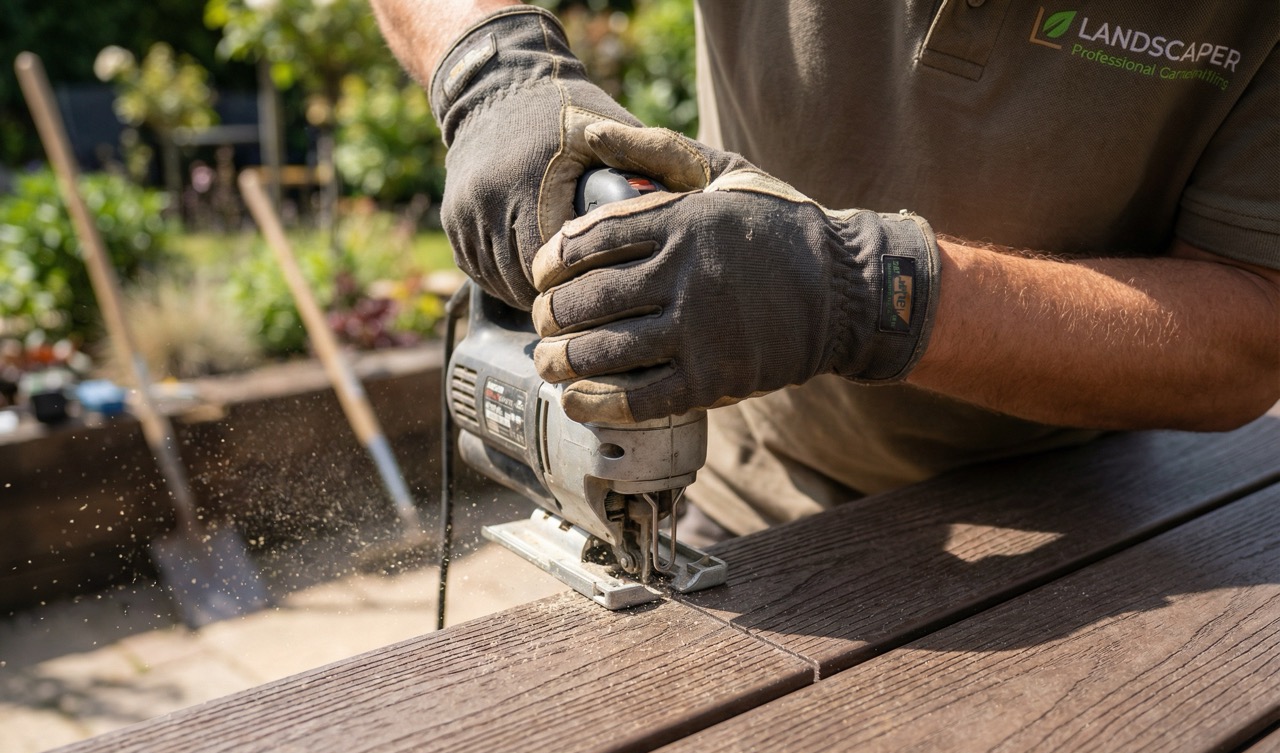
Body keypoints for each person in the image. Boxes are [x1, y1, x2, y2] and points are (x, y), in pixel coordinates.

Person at [371, 1, 1280, 538]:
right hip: (750, 492)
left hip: (1080, 507)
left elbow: (1252, 332)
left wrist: (863, 290)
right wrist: (492, 67)